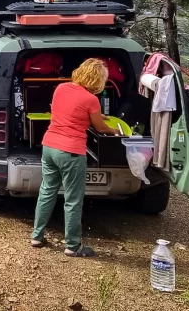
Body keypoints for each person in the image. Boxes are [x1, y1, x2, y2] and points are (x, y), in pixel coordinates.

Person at [31, 58, 119, 257]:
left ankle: (37, 236)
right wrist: (116, 130)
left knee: (47, 191)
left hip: (49, 145)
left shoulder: (61, 88)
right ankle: (73, 245)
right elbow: (100, 127)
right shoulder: (91, 100)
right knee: (72, 199)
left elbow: (69, 111)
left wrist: (95, 116)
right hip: (71, 151)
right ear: (96, 79)